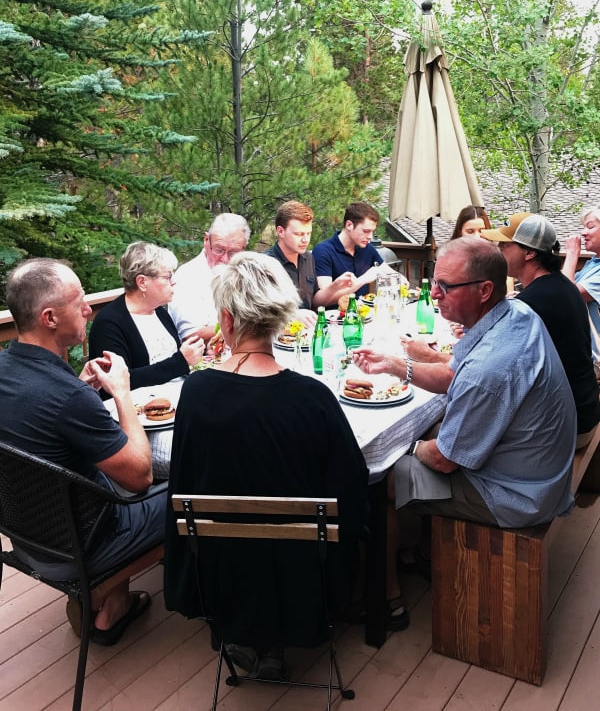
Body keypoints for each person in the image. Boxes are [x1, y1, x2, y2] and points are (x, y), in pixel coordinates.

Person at [164, 252, 371, 679]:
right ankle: (278, 634)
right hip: (304, 575)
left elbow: (183, 480)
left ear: (225, 319)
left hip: (222, 571)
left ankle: (245, 631)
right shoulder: (311, 397)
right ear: (280, 319)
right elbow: (352, 486)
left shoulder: (197, 392)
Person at [353, 237, 576, 540]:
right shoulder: (515, 315)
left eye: (445, 286)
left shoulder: (487, 368)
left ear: (484, 290)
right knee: (429, 428)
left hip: (517, 494)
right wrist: (395, 365)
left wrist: (405, 445)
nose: (433, 294)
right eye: (434, 282)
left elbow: (445, 461)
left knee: (385, 476)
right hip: (541, 469)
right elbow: (451, 373)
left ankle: (387, 584)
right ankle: (422, 547)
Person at [0, 258, 166, 645]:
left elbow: (40, 423)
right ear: (49, 317)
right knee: (183, 487)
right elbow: (139, 476)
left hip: (27, 536)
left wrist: (81, 390)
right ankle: (106, 594)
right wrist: (121, 392)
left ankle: (112, 604)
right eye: (79, 303)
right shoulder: (68, 398)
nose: (89, 310)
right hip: (82, 547)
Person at [482, 213, 600, 447]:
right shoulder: (562, 286)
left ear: (529, 252)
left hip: (569, 428)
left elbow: (490, 368)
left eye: (505, 245)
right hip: (585, 411)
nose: (499, 250)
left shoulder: (531, 304)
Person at [89, 242, 204, 395]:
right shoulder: (109, 323)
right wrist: (180, 362)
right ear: (142, 282)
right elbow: (118, 381)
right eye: (168, 276)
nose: (173, 282)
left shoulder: (159, 312)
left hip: (178, 397)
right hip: (139, 409)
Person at [264, 200, 357, 324]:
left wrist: (334, 286)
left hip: (308, 332)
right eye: (298, 234)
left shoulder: (308, 258)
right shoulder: (265, 263)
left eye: (308, 233)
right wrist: (293, 315)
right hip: (279, 336)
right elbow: (260, 310)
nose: (305, 239)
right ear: (280, 231)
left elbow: (314, 301)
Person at [168, 212, 250, 341]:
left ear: (244, 247)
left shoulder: (247, 272)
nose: (225, 259)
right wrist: (247, 326)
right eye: (219, 250)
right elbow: (191, 336)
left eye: (233, 252)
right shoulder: (187, 277)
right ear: (206, 240)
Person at [312, 201, 404, 308]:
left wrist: (401, 280)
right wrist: (363, 280)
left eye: (372, 232)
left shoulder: (366, 248)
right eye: (366, 231)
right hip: (333, 320)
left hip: (363, 315)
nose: (370, 236)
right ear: (349, 225)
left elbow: (388, 272)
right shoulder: (323, 251)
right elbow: (323, 301)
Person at [563, 206, 600, 371]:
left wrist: (571, 254)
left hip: (594, 363)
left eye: (590, 227)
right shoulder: (593, 263)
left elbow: (566, 295)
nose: (584, 232)